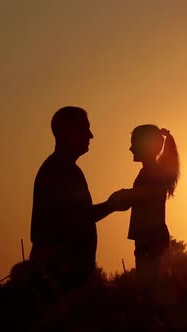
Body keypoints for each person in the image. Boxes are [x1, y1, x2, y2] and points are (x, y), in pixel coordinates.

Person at [29, 106, 129, 295]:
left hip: (67, 277)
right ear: (68, 132)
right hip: (59, 280)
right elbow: (75, 219)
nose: (90, 135)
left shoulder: (65, 169)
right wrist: (112, 205)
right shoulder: (59, 171)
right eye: (85, 129)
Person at [124, 124, 180, 313]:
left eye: (134, 144)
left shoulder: (151, 174)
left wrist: (126, 196)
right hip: (151, 238)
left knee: (148, 297)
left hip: (150, 239)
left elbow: (142, 197)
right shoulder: (152, 172)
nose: (130, 148)